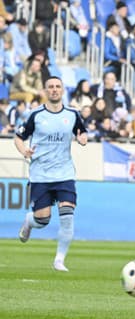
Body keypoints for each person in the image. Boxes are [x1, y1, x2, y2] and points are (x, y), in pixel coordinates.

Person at [14, 76, 88, 272]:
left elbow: (82, 131)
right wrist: (24, 151)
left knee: (67, 216)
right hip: (40, 175)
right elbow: (19, 137)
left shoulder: (72, 113)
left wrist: (82, 138)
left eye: (58, 87)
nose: (54, 90)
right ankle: (29, 221)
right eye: (51, 87)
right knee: (42, 220)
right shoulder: (35, 114)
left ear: (63, 90)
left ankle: (59, 260)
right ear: (45, 91)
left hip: (65, 174)